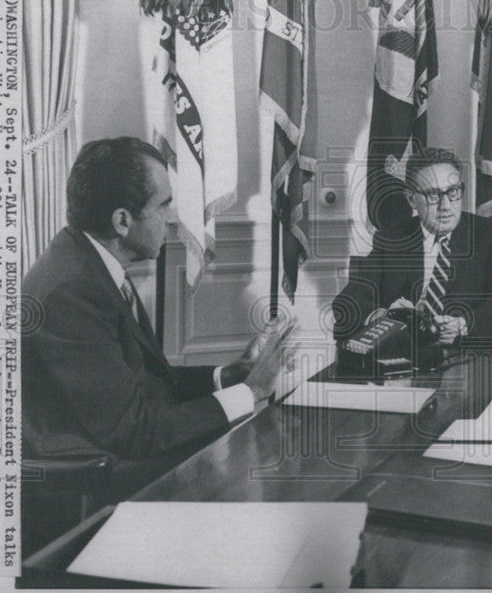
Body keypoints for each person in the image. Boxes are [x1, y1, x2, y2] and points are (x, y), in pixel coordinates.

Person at [22, 137, 293, 496]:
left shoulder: (88, 264)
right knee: (272, 476)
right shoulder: (71, 292)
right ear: (122, 221)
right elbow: (136, 432)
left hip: (120, 461)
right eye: (164, 205)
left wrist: (231, 375)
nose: (171, 218)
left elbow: (147, 384)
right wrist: (251, 391)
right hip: (94, 487)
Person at [333, 147, 492, 351]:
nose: (446, 206)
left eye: (454, 192)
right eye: (433, 195)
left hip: (467, 357)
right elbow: (347, 302)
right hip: (403, 357)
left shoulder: (489, 235)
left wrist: (462, 324)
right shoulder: (393, 238)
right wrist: (383, 316)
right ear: (411, 198)